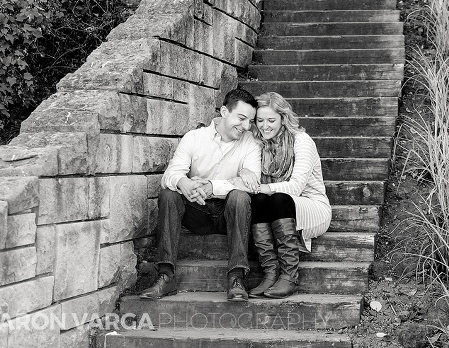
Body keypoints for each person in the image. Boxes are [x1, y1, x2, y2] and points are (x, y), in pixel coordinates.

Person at [139, 88, 262, 302]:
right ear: (224, 111)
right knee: (169, 195)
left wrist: (212, 187)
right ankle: (166, 275)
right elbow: (171, 173)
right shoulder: (194, 138)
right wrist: (184, 182)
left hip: (229, 215)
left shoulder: (250, 143)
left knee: (240, 197)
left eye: (250, 121)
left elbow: (251, 185)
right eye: (241, 118)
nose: (245, 127)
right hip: (197, 211)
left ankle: (236, 277)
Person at [242, 92, 332, 299]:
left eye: (271, 120)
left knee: (276, 196)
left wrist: (261, 187)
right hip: (274, 207)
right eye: (260, 120)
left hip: (311, 207)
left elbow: (296, 187)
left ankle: (290, 275)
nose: (265, 126)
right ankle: (270, 272)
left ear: (283, 118)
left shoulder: (301, 141)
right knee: (260, 199)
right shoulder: (258, 143)